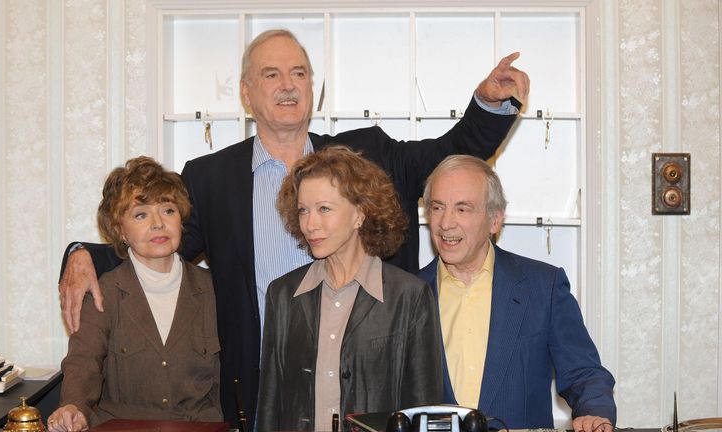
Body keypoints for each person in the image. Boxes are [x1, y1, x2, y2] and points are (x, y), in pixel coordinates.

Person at [59, 29, 528, 425]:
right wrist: (84, 253)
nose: (288, 85)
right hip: (258, 388)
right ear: (246, 94)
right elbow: (157, 242)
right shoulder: (209, 177)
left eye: (299, 73)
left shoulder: (365, 156)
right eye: (271, 75)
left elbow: (451, 152)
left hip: (365, 386)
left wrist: (490, 104)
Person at [418, 155, 616, 432]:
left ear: (494, 220)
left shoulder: (543, 287)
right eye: (438, 208)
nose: (446, 223)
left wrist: (594, 412)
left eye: (463, 209)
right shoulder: (406, 294)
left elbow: (583, 372)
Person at [258, 146, 442, 431]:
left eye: (324, 209)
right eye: (303, 210)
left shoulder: (409, 296)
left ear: (360, 214)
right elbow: (270, 405)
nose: (310, 224)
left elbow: (423, 409)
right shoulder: (282, 295)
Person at [48, 157, 222, 432]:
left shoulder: (214, 289)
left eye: (168, 210)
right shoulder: (103, 291)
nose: (158, 224)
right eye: (141, 214)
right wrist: (74, 406)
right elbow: (83, 361)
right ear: (120, 230)